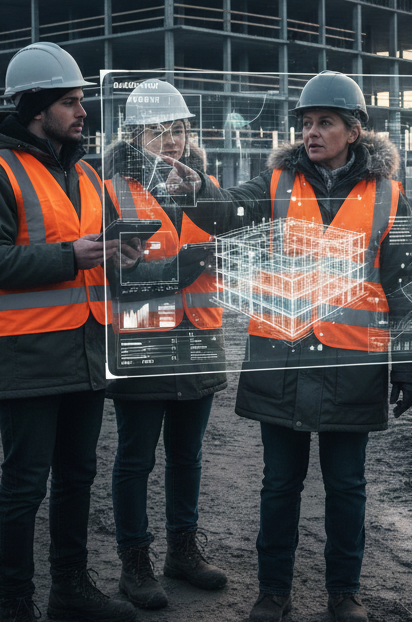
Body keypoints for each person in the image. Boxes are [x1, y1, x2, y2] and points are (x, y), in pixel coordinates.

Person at [210, 71, 412, 622]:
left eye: (324, 122)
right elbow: (221, 213)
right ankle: (273, 592)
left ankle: (343, 595)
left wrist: (410, 363)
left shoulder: (387, 196)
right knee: (280, 483)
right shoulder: (276, 185)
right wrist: (192, 188)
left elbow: (407, 283)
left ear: (353, 130)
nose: (312, 132)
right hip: (281, 359)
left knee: (347, 485)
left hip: (353, 364)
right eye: (306, 123)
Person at [0, 42, 138, 622]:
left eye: (82, 99)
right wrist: (71, 256)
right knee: (25, 485)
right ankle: (16, 604)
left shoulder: (85, 173)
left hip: (85, 351)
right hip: (27, 355)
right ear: (36, 107)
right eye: (70, 101)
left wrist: (116, 254)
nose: (83, 111)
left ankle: (70, 588)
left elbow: (93, 249)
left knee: (77, 477)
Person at [103, 78, 228, 610]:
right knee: (135, 459)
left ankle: (183, 551)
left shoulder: (207, 186)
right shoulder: (109, 193)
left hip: (199, 338)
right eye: (157, 132)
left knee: (187, 455)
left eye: (178, 130)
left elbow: (235, 242)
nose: (171, 141)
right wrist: (186, 266)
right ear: (133, 135)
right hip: (144, 343)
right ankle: (135, 564)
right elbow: (120, 275)